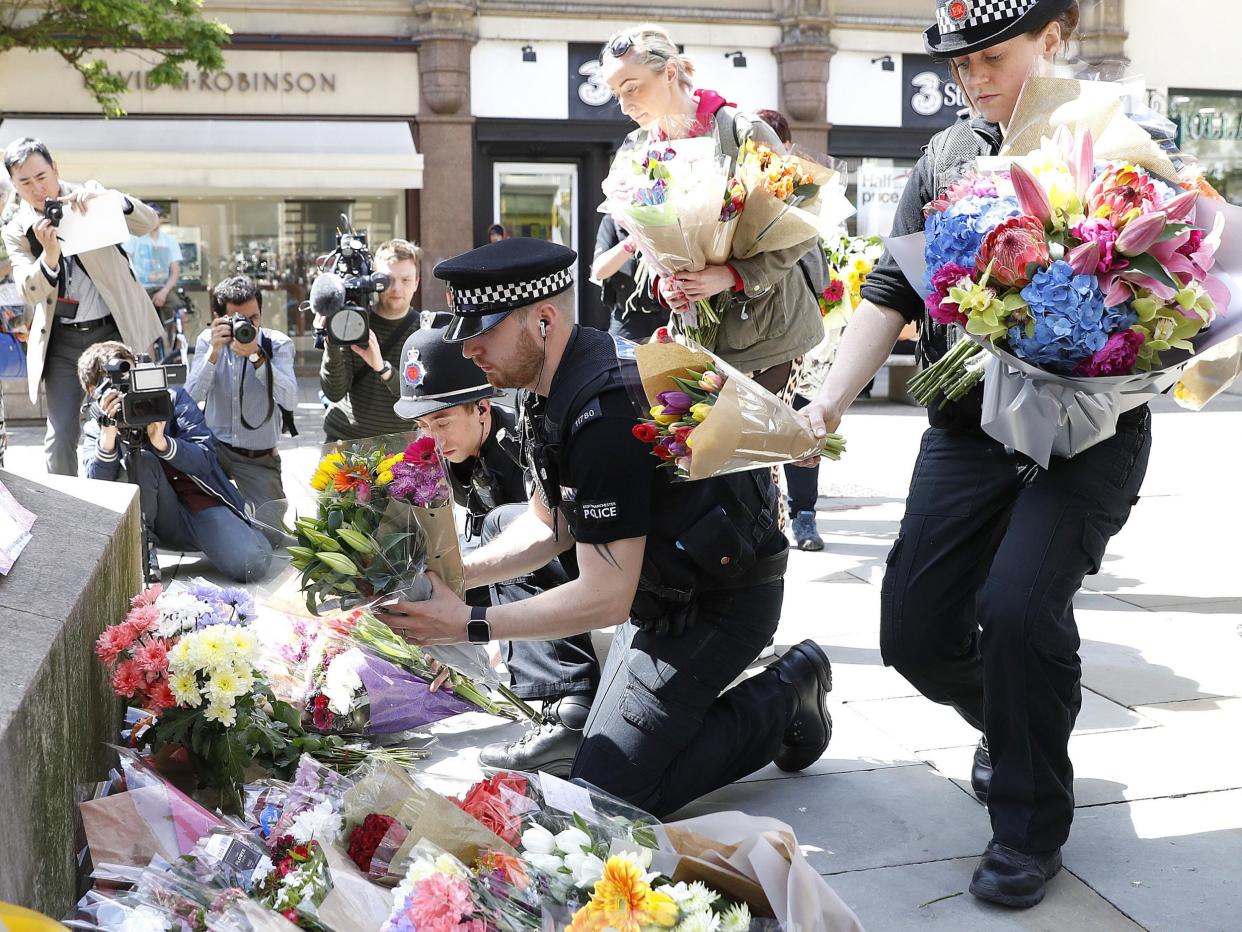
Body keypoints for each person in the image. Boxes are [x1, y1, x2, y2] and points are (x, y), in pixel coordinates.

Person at [800, 0, 1141, 910]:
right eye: (960, 65)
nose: (972, 78)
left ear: (1055, 40)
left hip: (1092, 431)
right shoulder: (947, 157)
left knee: (1021, 605)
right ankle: (1016, 719)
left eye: (992, 57)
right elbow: (889, 288)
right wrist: (827, 398)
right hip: (969, 425)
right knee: (913, 632)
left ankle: (1029, 829)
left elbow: (1177, 285)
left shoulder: (1122, 146)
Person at [375, 238, 834, 816]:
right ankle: (592, 710)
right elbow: (548, 529)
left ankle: (790, 692)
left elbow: (606, 597)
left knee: (612, 797)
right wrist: (455, 572)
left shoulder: (606, 409)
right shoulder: (550, 386)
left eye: (481, 333)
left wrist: (466, 626)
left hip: (722, 601)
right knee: (503, 525)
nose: (468, 351)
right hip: (662, 588)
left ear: (542, 320)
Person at [392, 325, 597, 775]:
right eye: (424, 425)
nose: (433, 438)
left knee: (502, 523)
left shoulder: (521, 445)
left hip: (582, 561)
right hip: (515, 569)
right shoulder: (445, 456)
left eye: (442, 422)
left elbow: (553, 530)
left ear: (482, 406)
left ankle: (564, 695)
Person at [599, 25, 822, 397]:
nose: (625, 105)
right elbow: (641, 248)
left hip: (769, 333)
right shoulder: (634, 152)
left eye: (632, 87)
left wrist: (733, 274)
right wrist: (663, 284)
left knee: (752, 454)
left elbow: (802, 225)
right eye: (616, 93)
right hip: (692, 336)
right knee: (693, 453)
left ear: (669, 73)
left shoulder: (741, 132)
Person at [1, 137, 164, 476]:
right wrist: (48, 256)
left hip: (114, 330)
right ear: (15, 185)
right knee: (61, 437)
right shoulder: (19, 229)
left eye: (41, 177)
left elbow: (147, 223)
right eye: (25, 183)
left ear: (55, 168)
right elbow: (28, 289)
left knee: (135, 421)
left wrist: (113, 200)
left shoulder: (89, 196)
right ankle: (67, 517)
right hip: (61, 343)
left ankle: (141, 510)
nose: (37, 188)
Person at [79, 340, 273, 583]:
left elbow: (206, 457)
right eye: (114, 383)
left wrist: (164, 442)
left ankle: (244, 527)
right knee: (144, 460)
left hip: (198, 507)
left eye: (129, 377)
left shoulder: (172, 398)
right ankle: (143, 548)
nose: (124, 390)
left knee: (252, 563)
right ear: (92, 389)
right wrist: (108, 438)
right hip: (148, 522)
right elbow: (95, 491)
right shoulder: (95, 426)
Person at [755, 107, 828, 552]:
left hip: (800, 329)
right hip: (756, 332)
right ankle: (770, 519)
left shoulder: (801, 191)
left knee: (802, 420)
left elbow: (816, 262)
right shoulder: (746, 188)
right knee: (761, 430)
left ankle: (803, 515)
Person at [186, 275, 296, 513]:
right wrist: (214, 353)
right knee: (205, 518)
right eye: (238, 318)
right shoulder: (208, 341)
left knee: (271, 533)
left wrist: (257, 357)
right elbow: (190, 398)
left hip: (258, 456)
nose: (248, 325)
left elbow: (290, 399)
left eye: (254, 317)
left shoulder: (277, 343)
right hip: (215, 449)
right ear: (218, 318)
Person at [321, 238, 423, 442]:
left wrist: (382, 368)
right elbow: (334, 392)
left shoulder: (424, 330)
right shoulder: (353, 322)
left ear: (417, 282)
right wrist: (331, 337)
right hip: (345, 443)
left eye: (405, 280)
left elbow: (418, 397)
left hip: (400, 449)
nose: (396, 288)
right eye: (387, 279)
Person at [590, 213, 670, 343]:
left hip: (669, 317)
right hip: (627, 319)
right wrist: (634, 240)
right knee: (621, 362)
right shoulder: (612, 220)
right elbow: (599, 271)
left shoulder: (671, 216)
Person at [125, 203, 181, 311]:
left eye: (157, 216)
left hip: (163, 288)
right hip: (140, 288)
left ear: (161, 219)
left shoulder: (170, 240)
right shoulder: (135, 237)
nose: (154, 220)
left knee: (181, 312)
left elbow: (175, 271)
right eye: (151, 216)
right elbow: (125, 262)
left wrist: (164, 292)